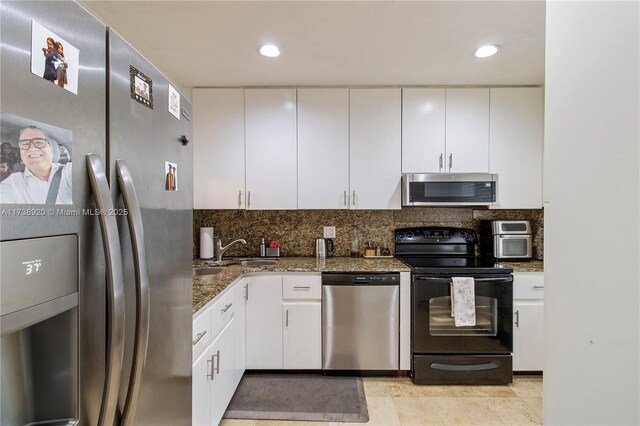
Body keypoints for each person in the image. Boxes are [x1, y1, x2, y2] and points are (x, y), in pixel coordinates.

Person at [0, 126, 72, 204]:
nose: (32, 148)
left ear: (51, 149)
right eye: (25, 144)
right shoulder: (11, 183)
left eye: (39, 142)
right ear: (21, 153)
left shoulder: (68, 171)